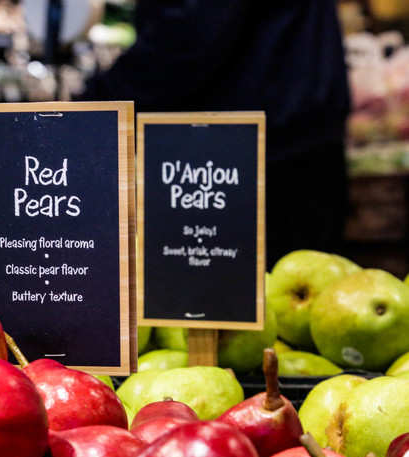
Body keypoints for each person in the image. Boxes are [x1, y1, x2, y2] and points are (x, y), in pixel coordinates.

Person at [78, 0, 351, 267]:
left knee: (240, 296)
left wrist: (97, 104)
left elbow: (188, 34)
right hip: (286, 128)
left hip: (254, 150)